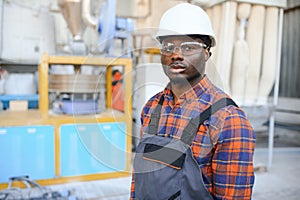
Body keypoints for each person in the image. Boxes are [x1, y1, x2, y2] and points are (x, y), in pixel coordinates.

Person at [130, 3, 256, 200]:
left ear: (207, 53)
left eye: (189, 47)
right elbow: (139, 184)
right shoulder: (151, 108)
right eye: (168, 47)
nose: (176, 54)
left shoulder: (228, 119)